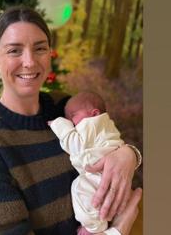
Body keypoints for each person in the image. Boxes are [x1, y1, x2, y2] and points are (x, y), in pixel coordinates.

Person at [0, 6, 142, 235]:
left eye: (40, 48)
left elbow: (106, 144)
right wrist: (117, 231)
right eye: (14, 50)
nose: (30, 62)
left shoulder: (64, 107)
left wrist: (129, 154)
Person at [48, 91, 141, 235]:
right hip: (111, 178)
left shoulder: (91, 124)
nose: (71, 122)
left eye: (72, 116)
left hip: (101, 174)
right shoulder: (104, 125)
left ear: (94, 113)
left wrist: (59, 125)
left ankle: (94, 227)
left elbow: (76, 145)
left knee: (79, 187)